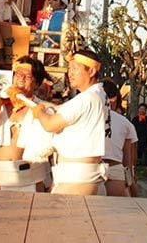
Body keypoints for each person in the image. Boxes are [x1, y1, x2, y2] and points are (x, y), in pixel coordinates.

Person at [33, 50, 110, 195]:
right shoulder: (100, 95)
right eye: (69, 68)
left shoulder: (86, 98)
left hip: (77, 177)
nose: (70, 73)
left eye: (75, 68)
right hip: (84, 173)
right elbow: (61, 110)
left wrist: (39, 113)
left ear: (92, 71)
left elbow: (50, 125)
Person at [0, 57, 53, 192]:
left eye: (27, 76)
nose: (21, 78)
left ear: (36, 83)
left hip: (32, 176)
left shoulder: (42, 108)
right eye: (18, 74)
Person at [101, 80, 138, 197]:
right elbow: (128, 160)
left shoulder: (84, 118)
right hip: (115, 168)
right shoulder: (126, 123)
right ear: (114, 99)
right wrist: (131, 183)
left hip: (89, 169)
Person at [131, 102, 147, 168]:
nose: (142, 110)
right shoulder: (135, 119)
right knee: (138, 151)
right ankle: (137, 163)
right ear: (138, 110)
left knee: (146, 151)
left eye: (143, 109)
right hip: (138, 137)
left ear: (145, 110)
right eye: (140, 109)